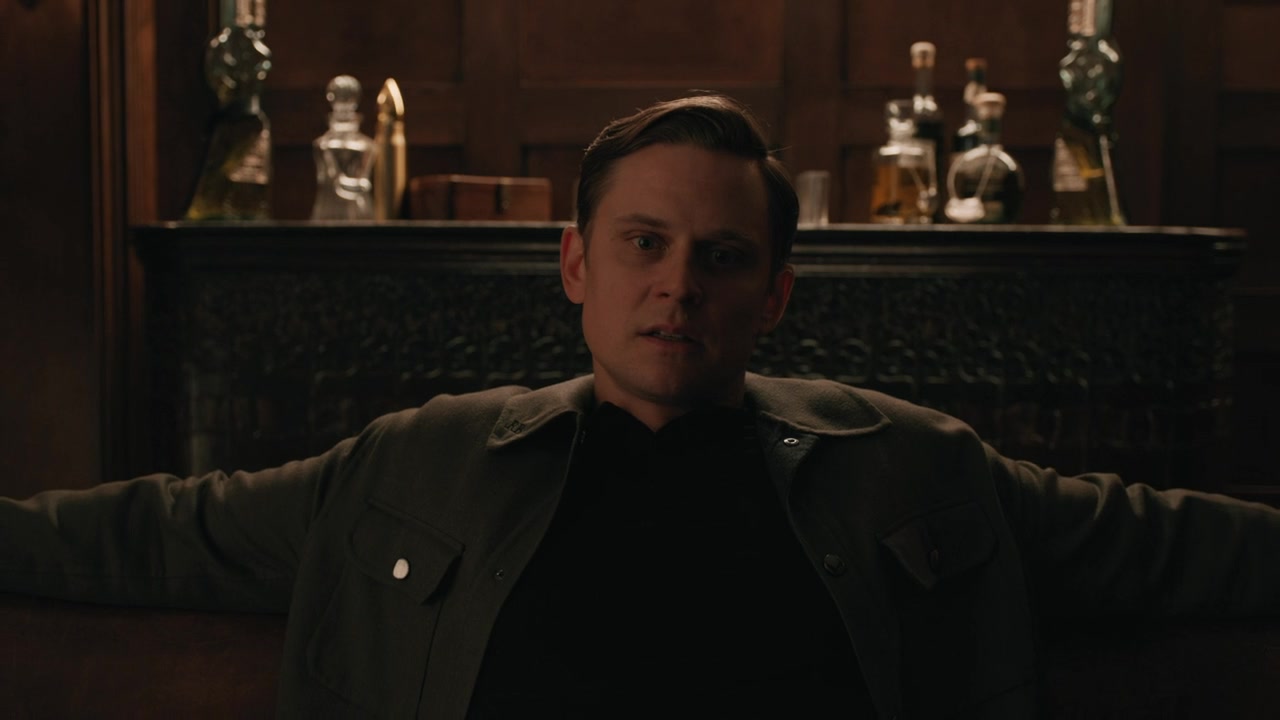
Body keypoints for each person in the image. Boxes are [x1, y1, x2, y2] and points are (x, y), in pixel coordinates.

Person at [4, 93, 1280, 719]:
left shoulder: (909, 466)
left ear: (772, 294)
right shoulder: (416, 467)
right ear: (576, 265)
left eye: (720, 258)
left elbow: (1158, 543)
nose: (678, 287)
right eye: (643, 245)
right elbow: (162, 532)